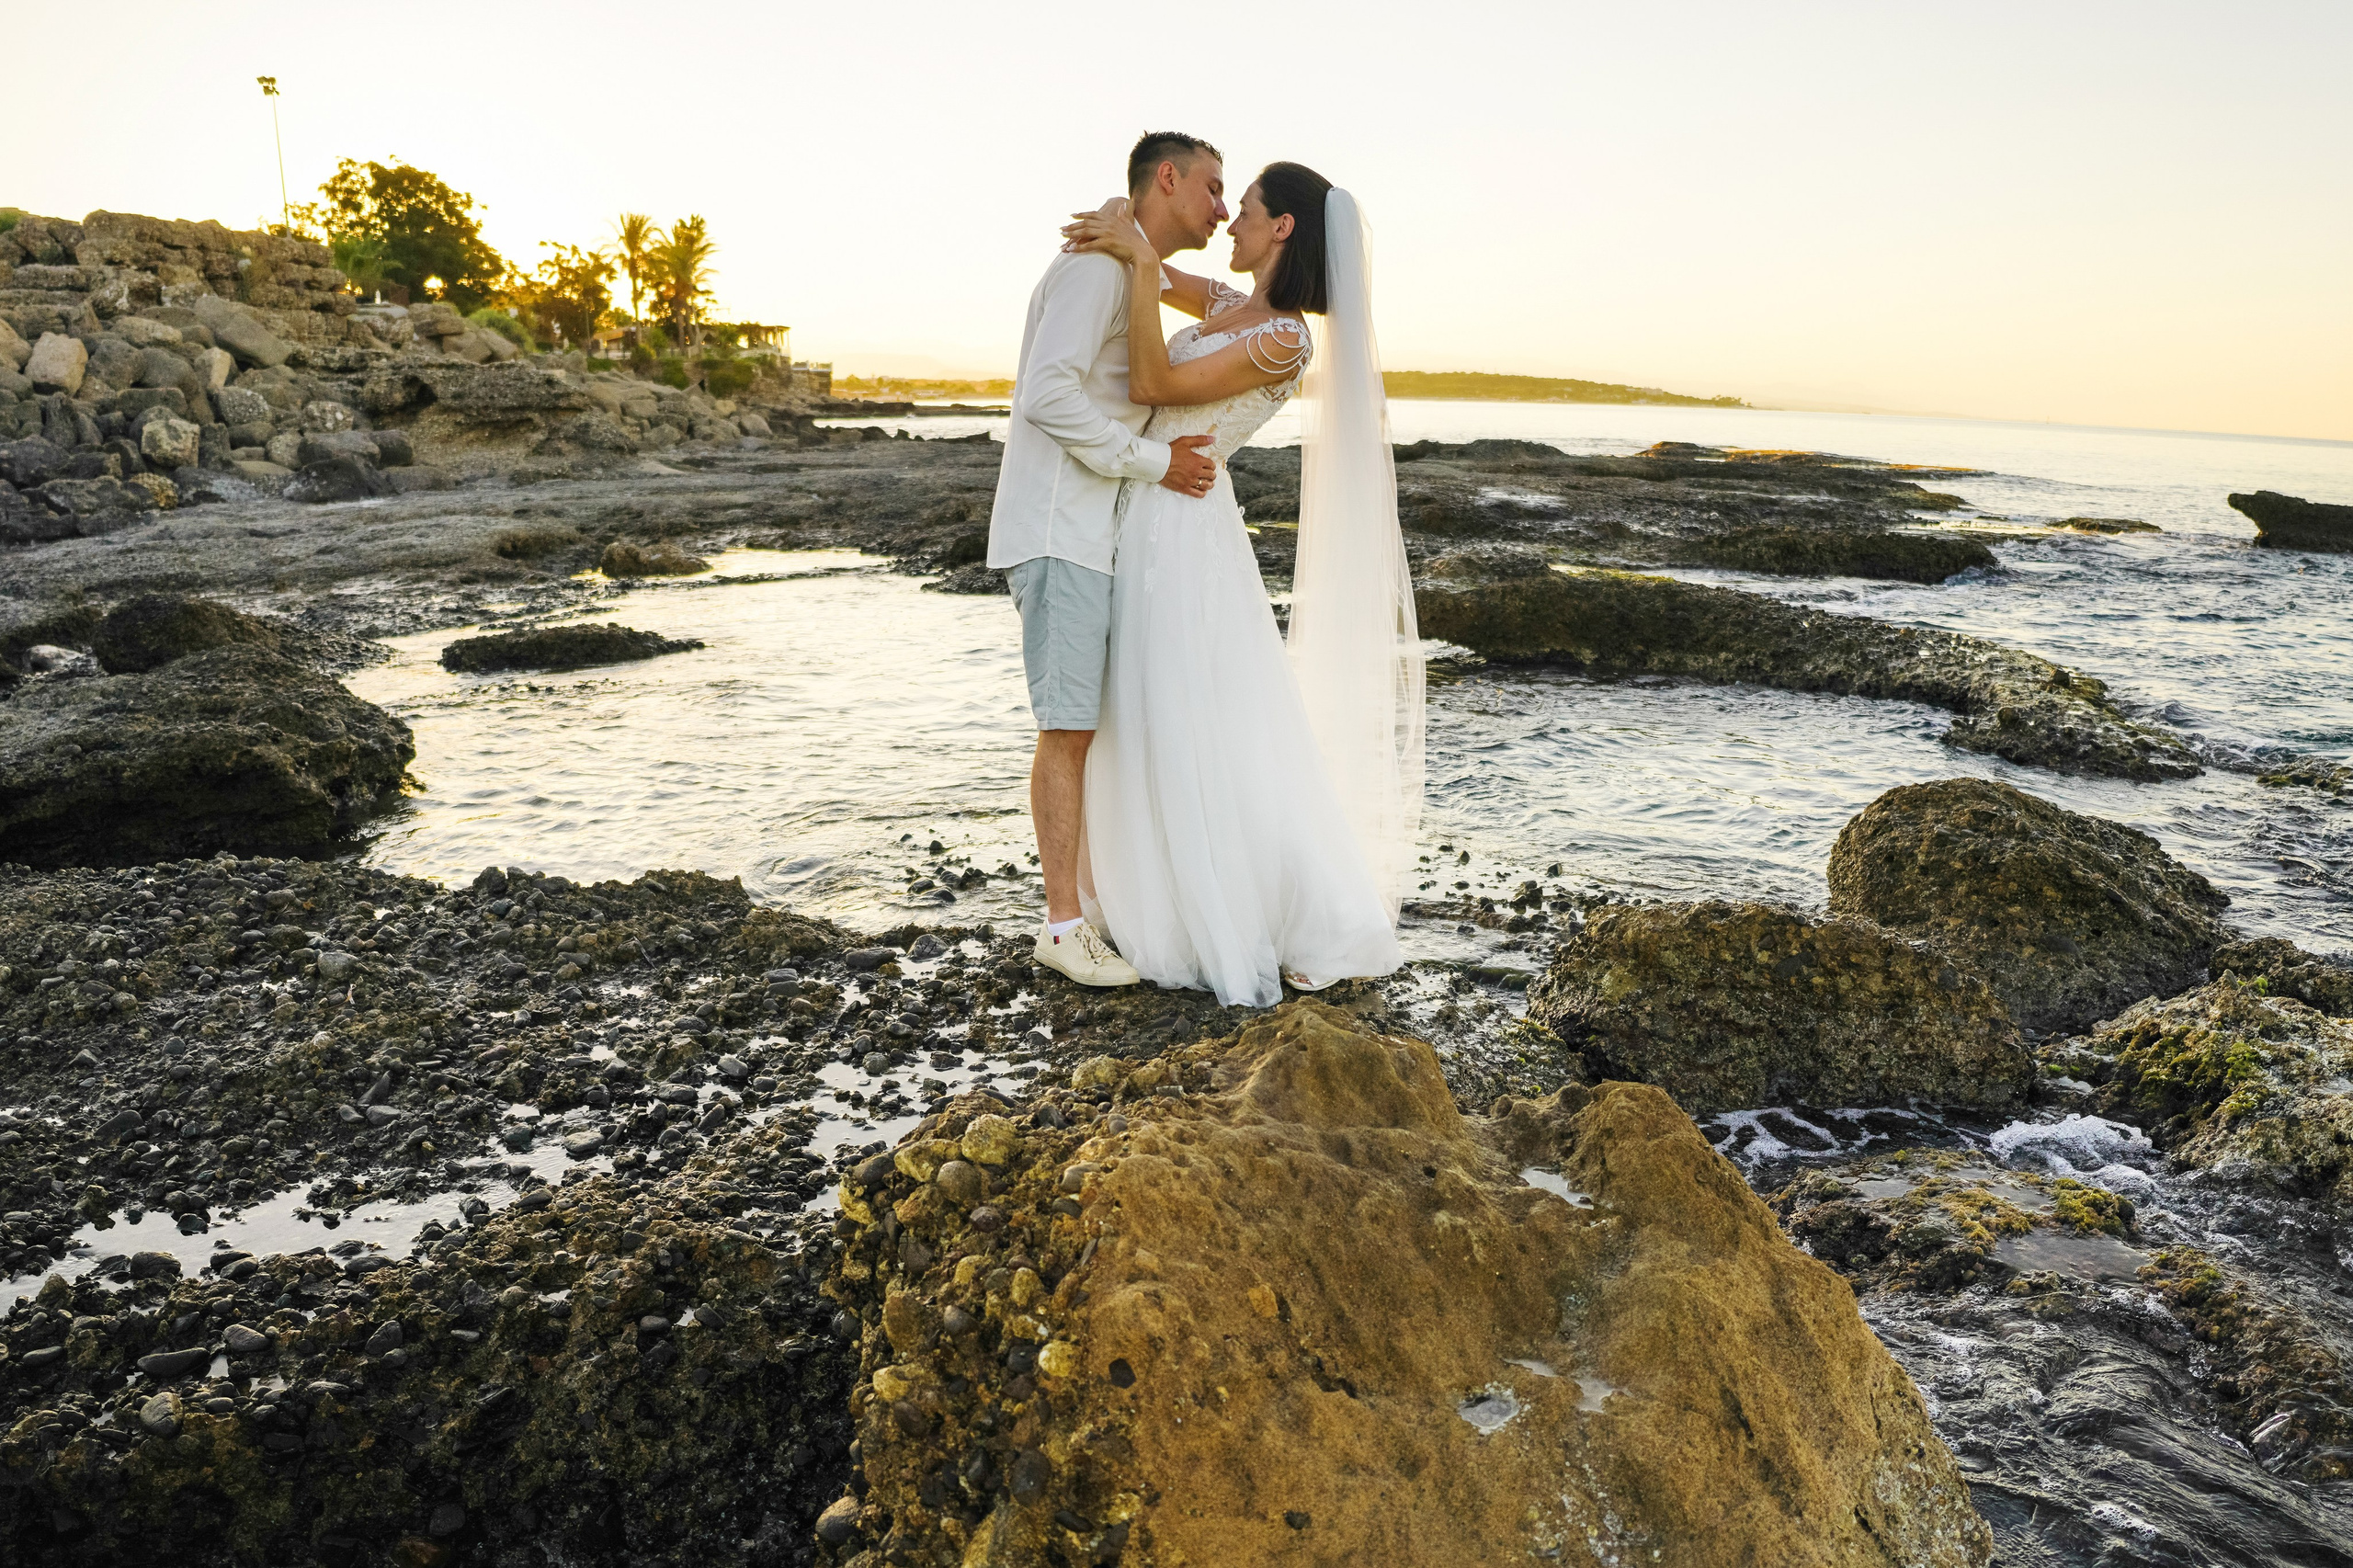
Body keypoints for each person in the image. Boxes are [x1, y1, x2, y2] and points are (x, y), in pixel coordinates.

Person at [1057, 163, 1425, 1006]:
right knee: (1143, 705)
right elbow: (1144, 253)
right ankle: (1140, 888)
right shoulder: (1231, 310)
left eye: (1246, 210)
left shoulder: (1281, 339)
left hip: (1185, 527)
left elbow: (1155, 384)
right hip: (1144, 509)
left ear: (1283, 228)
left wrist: (1144, 266)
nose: (1231, 223)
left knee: (1191, 708)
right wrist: (1124, 220)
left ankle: (1234, 905)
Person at [985, 132, 1226, 987]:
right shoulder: (1095, 270)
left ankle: (1089, 905)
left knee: (1085, 722)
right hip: (1060, 529)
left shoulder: (1129, 268)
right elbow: (1047, 393)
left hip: (1092, 531)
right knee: (1067, 725)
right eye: (1211, 187)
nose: (1223, 208)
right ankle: (1061, 924)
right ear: (1169, 178)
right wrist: (1160, 463)